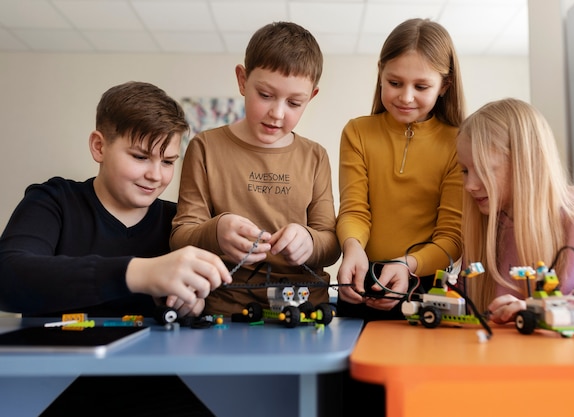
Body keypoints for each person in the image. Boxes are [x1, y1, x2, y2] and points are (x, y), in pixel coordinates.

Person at [0, 81, 232, 417]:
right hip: (51, 390)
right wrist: (138, 273)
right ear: (99, 146)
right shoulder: (54, 201)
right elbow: (8, 277)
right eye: (140, 157)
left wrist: (194, 305)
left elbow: (208, 311)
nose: (156, 175)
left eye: (168, 162)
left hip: (157, 390)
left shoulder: (179, 223)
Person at [170, 21, 341, 317]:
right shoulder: (205, 147)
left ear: (311, 97)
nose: (277, 113)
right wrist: (217, 230)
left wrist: (309, 242)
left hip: (303, 310)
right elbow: (180, 236)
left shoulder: (315, 156)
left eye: (294, 102)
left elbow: (330, 243)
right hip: (226, 308)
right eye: (265, 95)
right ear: (242, 79)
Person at [335, 18, 465, 323]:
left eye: (421, 86)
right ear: (380, 73)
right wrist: (351, 248)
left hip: (426, 283)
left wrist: (409, 265)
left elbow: (451, 237)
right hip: (363, 275)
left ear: (444, 85)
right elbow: (354, 210)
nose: (406, 97)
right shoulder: (357, 132)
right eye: (395, 83)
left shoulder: (459, 142)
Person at [456, 97, 574, 329]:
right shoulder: (486, 234)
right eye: (465, 171)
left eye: (485, 170)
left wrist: (559, 307)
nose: (470, 185)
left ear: (526, 164)